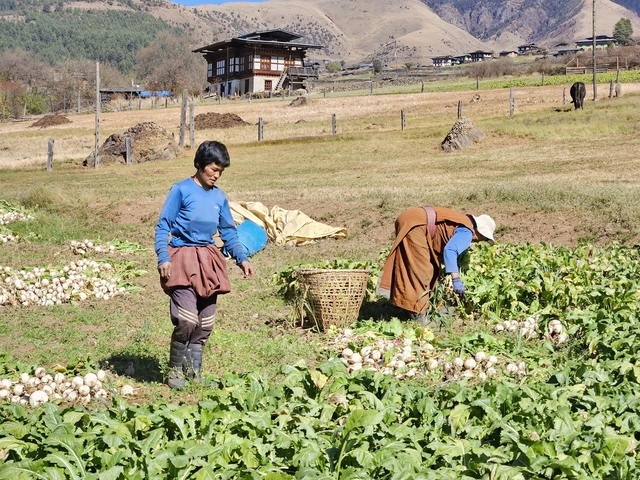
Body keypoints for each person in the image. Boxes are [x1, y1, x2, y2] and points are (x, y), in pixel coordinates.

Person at [155, 140, 254, 389]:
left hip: (208, 260)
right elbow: (163, 226)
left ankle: (193, 371)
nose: (216, 175)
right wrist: (163, 258)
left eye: (221, 171)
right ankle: (174, 370)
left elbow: (229, 232)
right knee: (187, 319)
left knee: (205, 322)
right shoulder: (181, 190)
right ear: (200, 165)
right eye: (213, 169)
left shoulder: (219, 197)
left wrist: (242, 259)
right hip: (181, 257)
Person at [377, 206, 495, 325]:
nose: (479, 241)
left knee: (433, 267)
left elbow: (443, 244)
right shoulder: (467, 232)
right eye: (483, 239)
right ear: (480, 232)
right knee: (422, 271)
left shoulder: (463, 222)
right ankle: (418, 314)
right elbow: (450, 250)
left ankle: (430, 306)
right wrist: (456, 279)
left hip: (413, 219)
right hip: (417, 224)